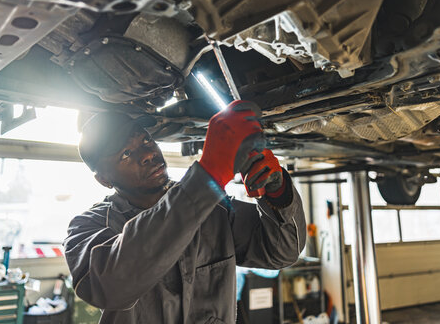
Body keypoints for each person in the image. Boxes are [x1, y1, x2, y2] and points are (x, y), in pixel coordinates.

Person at [64, 100, 306, 323]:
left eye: (146, 140)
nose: (147, 154)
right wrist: (208, 173)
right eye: (126, 154)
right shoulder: (87, 228)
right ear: (104, 179)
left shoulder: (214, 208)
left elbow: (281, 253)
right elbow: (111, 286)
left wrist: (277, 191)